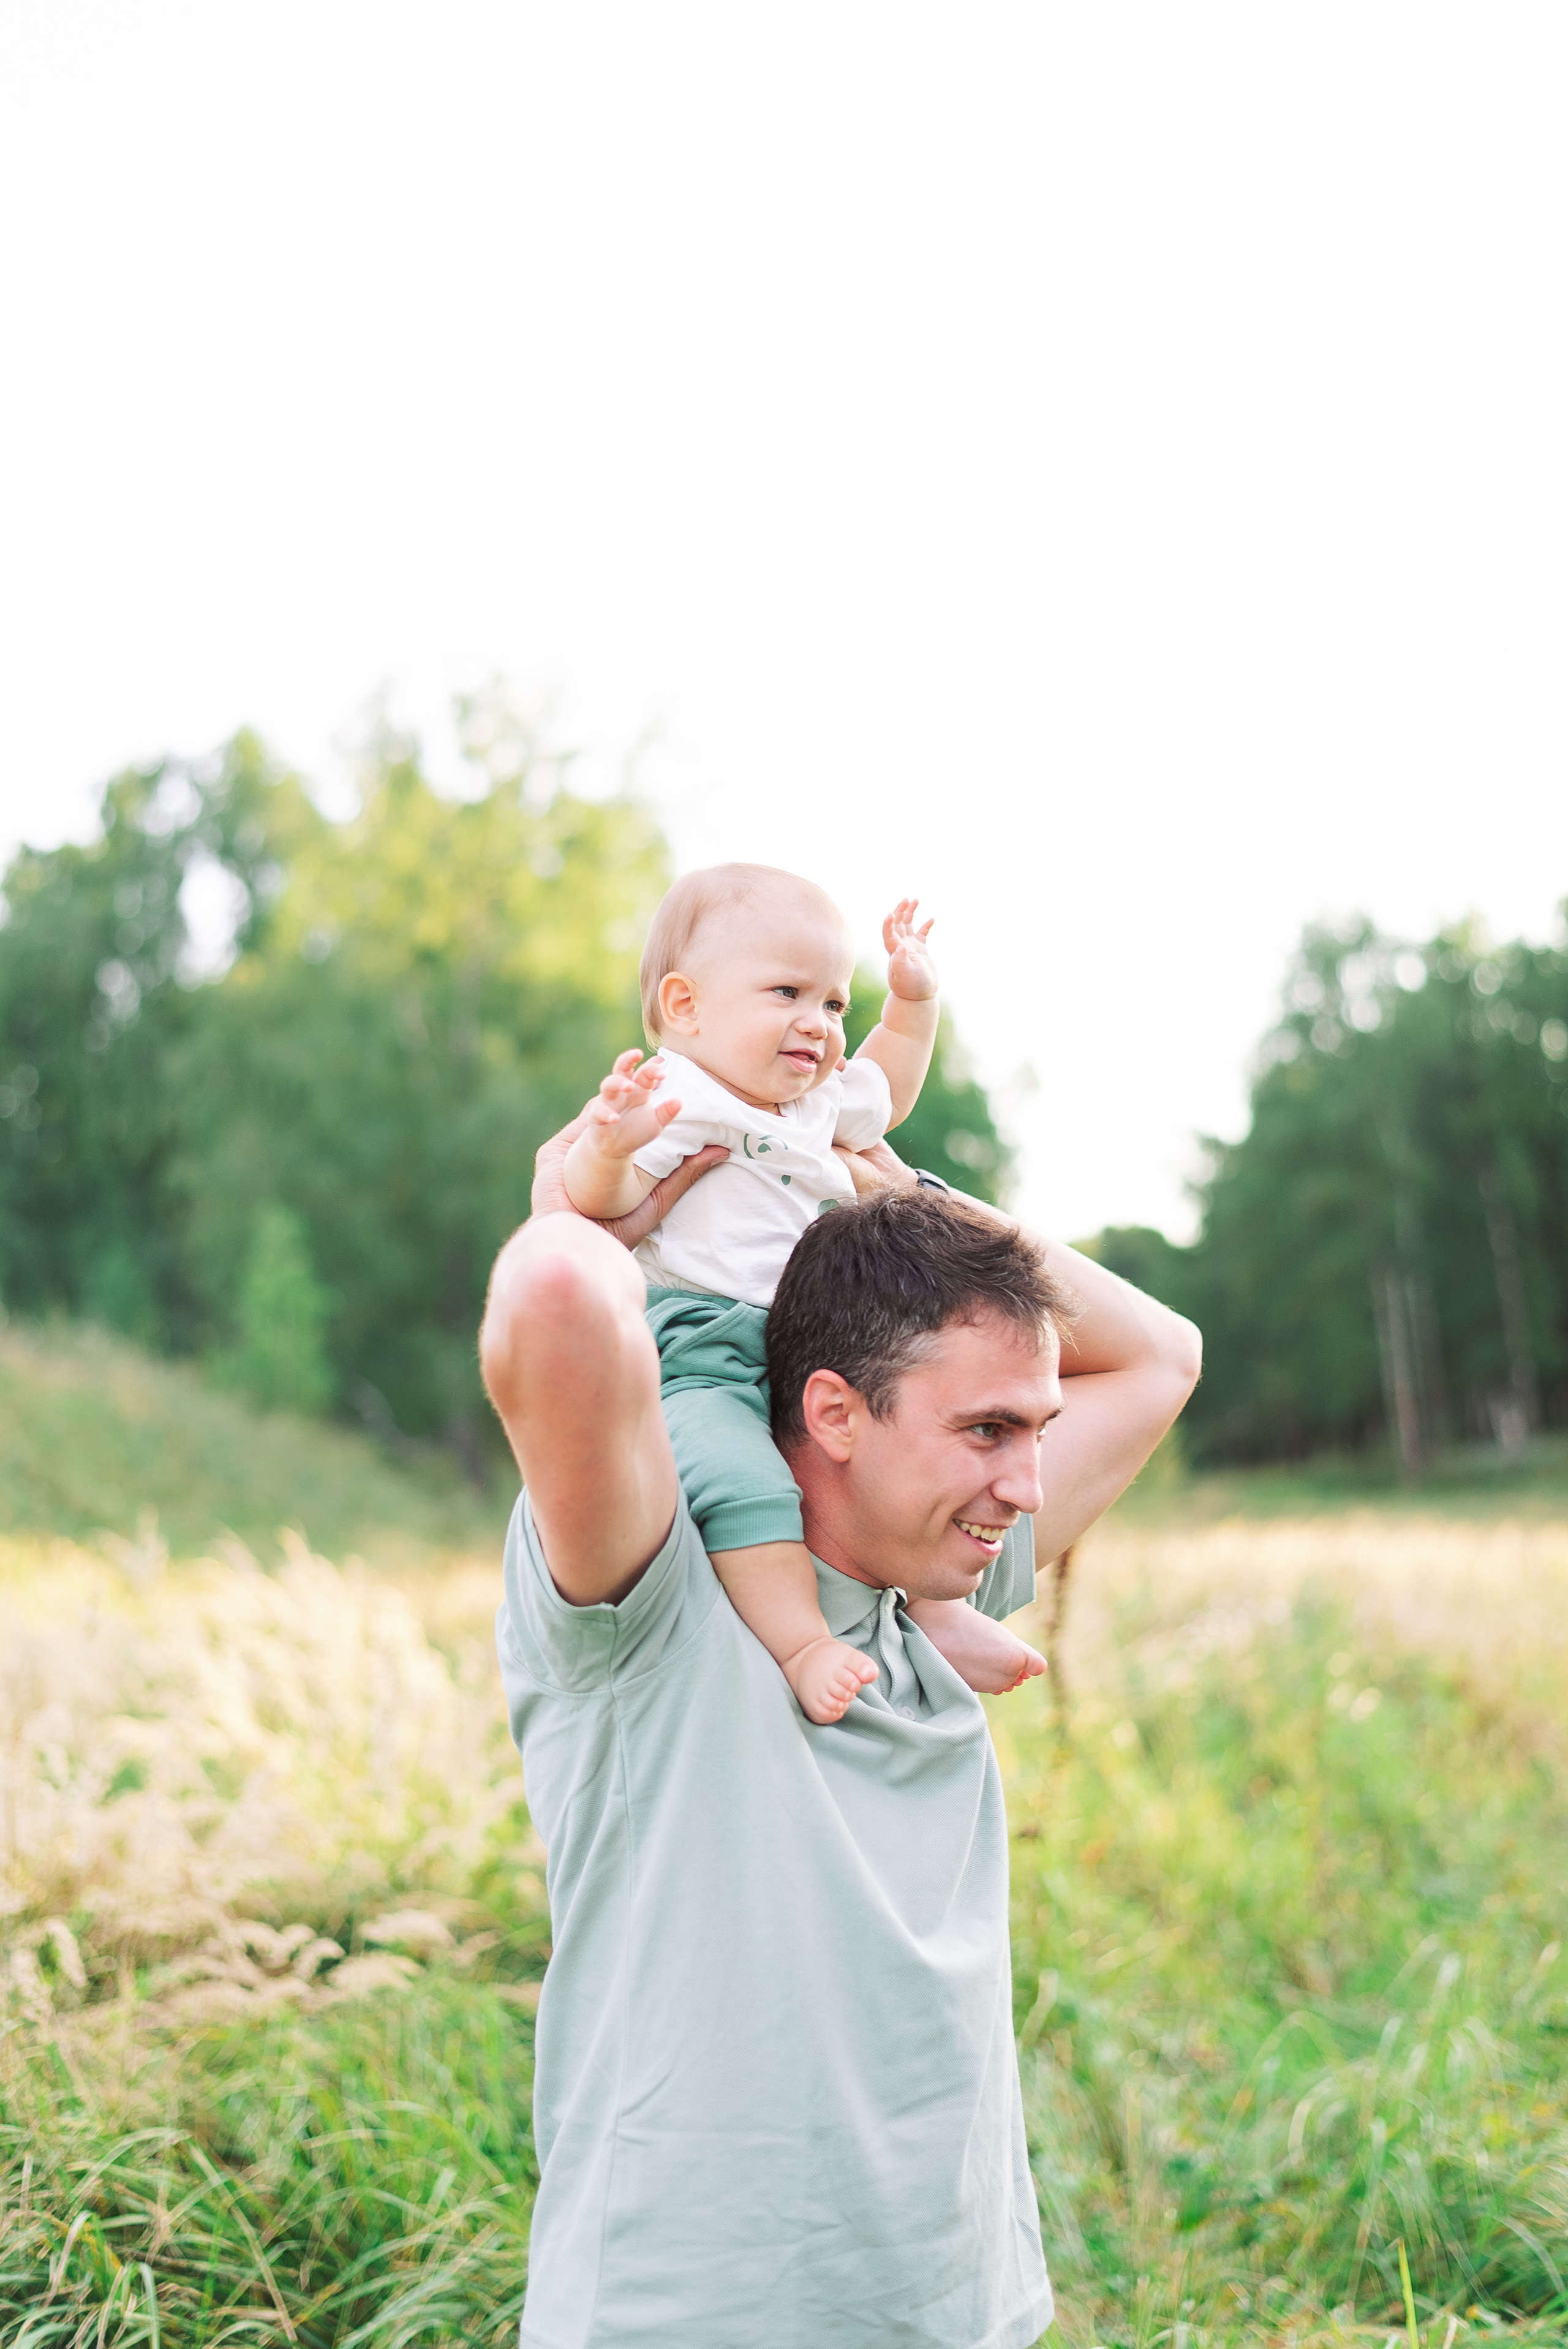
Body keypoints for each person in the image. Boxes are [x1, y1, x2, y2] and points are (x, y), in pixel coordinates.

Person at [481, 1118, 1202, 2349]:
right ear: (833, 1411)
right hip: (688, 2319)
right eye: (987, 1430)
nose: (1029, 1486)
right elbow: (553, 1296)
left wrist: (891, 1187)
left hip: (949, 2309)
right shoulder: (656, 1593)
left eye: (1035, 1428)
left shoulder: (934, 1576)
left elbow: (1158, 1356)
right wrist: (598, 1204)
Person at [560, 861, 1044, 1723]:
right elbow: (606, 1199)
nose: (818, 1026)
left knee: (889, 1467)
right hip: (702, 1340)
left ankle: (938, 1612)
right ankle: (803, 1642)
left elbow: (887, 1088)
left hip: (811, 1334)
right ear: (686, 1007)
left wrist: (911, 1003)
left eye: (833, 1003)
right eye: (788, 992)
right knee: (747, 1482)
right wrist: (605, 1145)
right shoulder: (681, 1092)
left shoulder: (815, 1100)